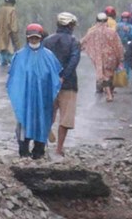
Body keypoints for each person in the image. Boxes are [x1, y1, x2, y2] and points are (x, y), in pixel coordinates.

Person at [7, 23, 62, 160]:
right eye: (31, 38)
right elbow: (14, 78)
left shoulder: (49, 56)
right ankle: (24, 150)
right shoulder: (19, 56)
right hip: (26, 98)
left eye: (36, 38)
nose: (33, 40)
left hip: (43, 98)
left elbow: (56, 76)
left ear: (41, 38)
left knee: (42, 120)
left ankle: (39, 150)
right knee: (24, 121)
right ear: (27, 38)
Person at [43, 12, 81, 156]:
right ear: (70, 26)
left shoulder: (47, 41)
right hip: (69, 84)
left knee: (48, 113)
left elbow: (43, 61)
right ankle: (59, 148)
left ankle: (44, 138)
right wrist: (63, 76)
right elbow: (74, 61)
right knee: (65, 118)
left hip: (49, 84)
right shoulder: (74, 42)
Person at [81, 12, 123, 102]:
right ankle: (110, 92)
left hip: (100, 58)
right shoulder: (112, 32)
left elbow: (83, 41)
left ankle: (109, 94)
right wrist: (120, 57)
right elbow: (118, 45)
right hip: (112, 57)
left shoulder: (93, 32)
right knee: (110, 74)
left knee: (104, 75)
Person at [0, 0, 20, 66]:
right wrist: (16, 38)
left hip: (0, 33)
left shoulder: (1, 9)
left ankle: (3, 62)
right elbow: (13, 25)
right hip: (8, 34)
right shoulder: (12, 10)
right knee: (10, 51)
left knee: (2, 50)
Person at [116, 11, 132, 82]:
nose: (124, 19)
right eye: (123, 18)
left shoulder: (130, 27)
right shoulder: (118, 25)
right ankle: (118, 78)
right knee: (119, 62)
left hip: (127, 46)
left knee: (126, 63)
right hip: (118, 46)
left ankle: (125, 78)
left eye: (126, 18)